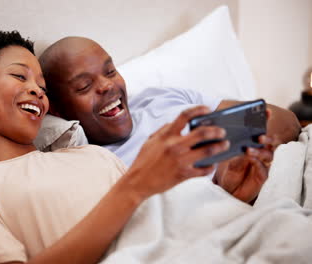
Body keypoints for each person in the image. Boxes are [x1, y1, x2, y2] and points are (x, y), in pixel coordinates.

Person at [0, 30, 238, 264]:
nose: (37, 90)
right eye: (19, 76)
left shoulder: (92, 155)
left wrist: (236, 192)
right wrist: (131, 189)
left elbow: (162, 225)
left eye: (42, 86)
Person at [39, 36, 301, 203]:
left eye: (110, 71)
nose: (107, 85)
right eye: (84, 86)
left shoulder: (162, 98)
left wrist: (233, 157)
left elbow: (284, 120)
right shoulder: (98, 165)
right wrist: (226, 189)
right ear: (59, 112)